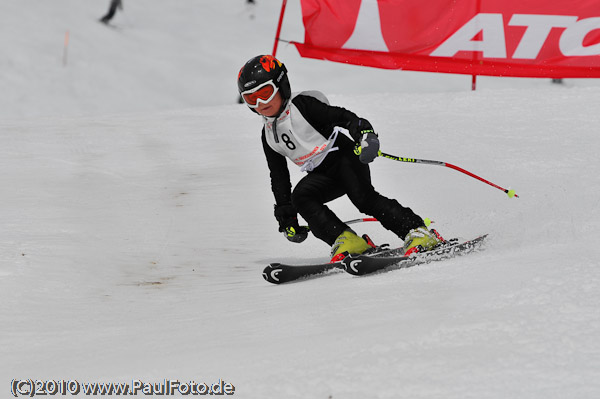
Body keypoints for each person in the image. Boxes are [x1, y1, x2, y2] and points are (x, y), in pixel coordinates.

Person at [237, 55, 443, 262]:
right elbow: (278, 175)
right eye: (251, 99)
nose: (260, 103)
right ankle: (347, 240)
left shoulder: (303, 106)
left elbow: (342, 117)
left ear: (282, 86)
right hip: (321, 173)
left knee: (364, 199)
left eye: (265, 93)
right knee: (301, 197)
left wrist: (365, 134)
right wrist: (286, 217)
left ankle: (418, 231)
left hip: (344, 158)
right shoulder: (268, 135)